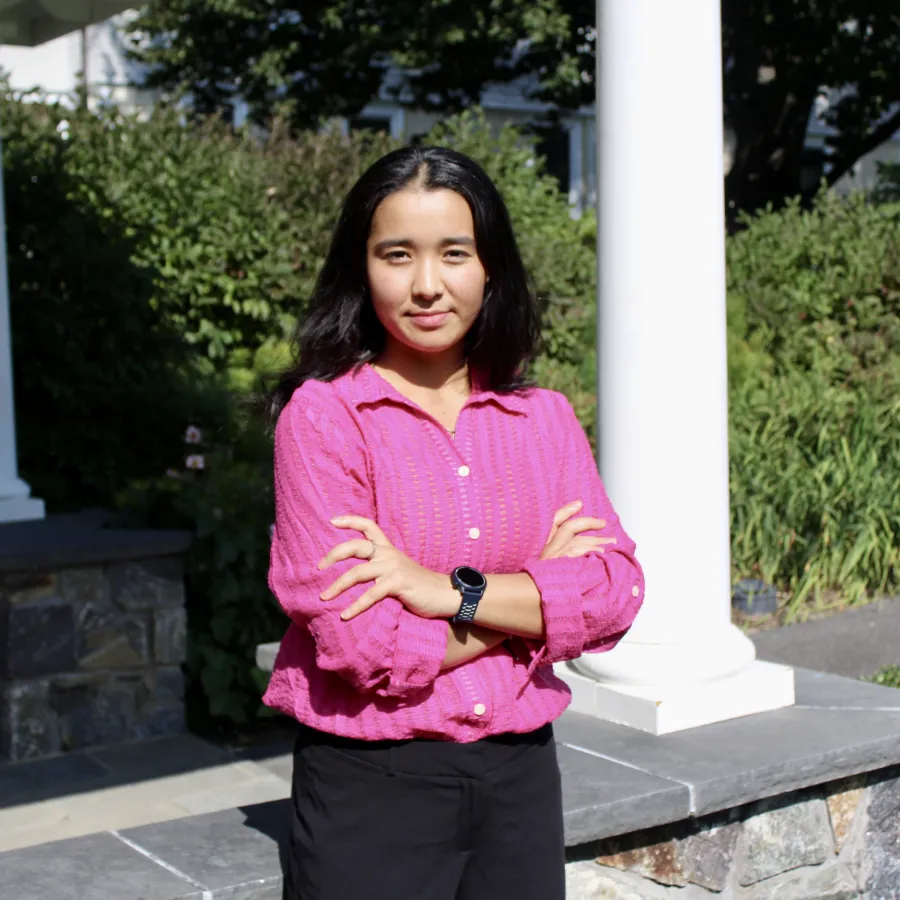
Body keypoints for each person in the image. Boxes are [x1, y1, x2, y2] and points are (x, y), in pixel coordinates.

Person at [265, 146, 644, 900]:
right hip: (371, 791)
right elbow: (361, 643)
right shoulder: (326, 419)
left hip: (521, 782)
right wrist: (530, 604)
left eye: (454, 254)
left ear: (490, 267)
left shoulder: (543, 418)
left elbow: (613, 594)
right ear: (361, 268)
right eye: (397, 256)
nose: (427, 285)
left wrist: (443, 591)